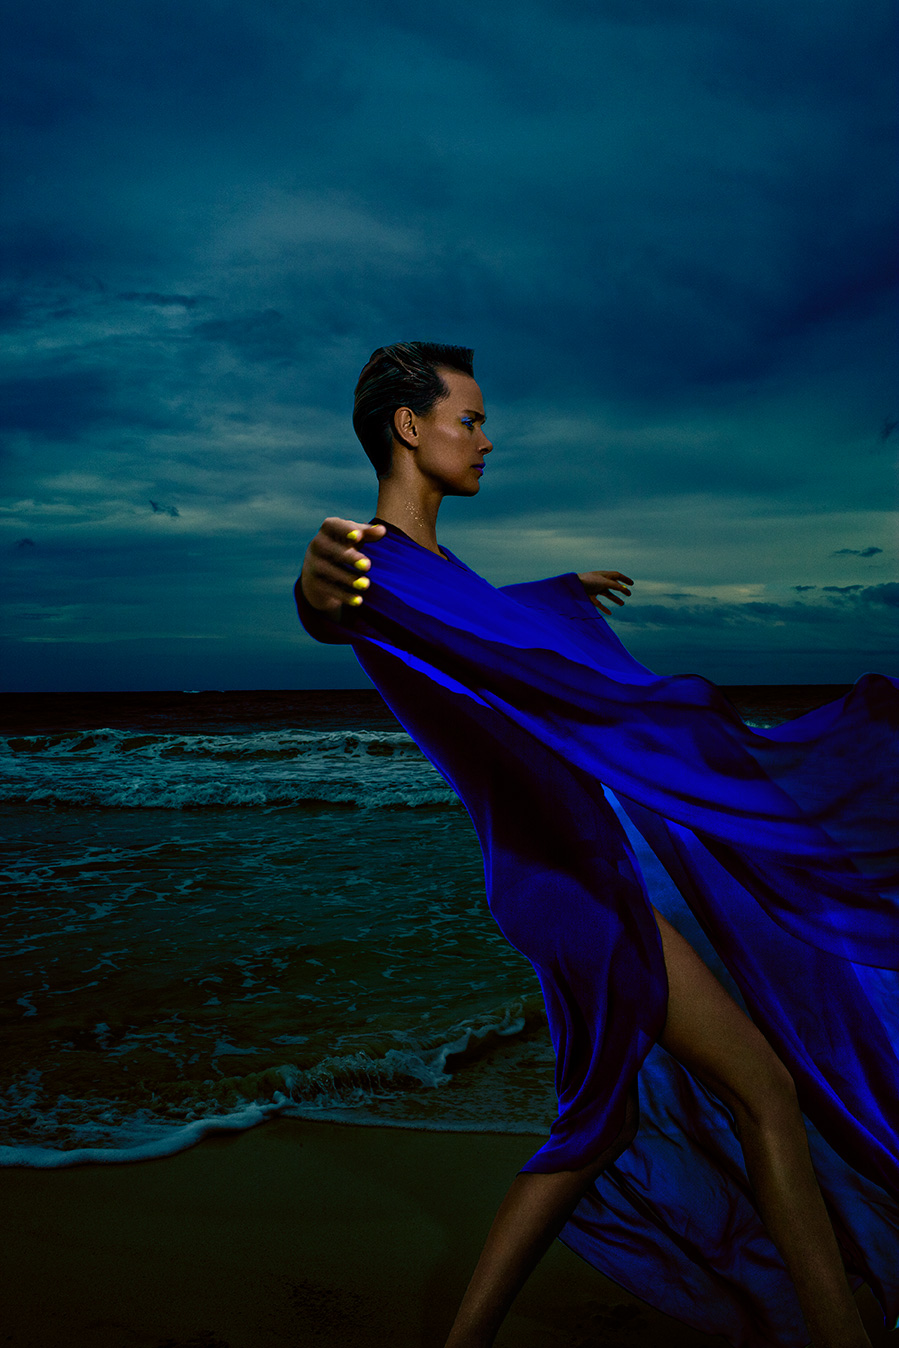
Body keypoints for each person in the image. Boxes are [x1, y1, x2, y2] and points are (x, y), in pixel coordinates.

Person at [295, 342, 899, 1348]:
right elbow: (333, 609)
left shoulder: (439, 570)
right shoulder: (371, 566)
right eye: (468, 420)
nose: (485, 440)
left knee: (611, 1119)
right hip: (563, 884)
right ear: (408, 426)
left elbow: (496, 626)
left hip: (578, 871)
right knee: (740, 1094)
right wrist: (315, 585)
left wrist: (559, 592)